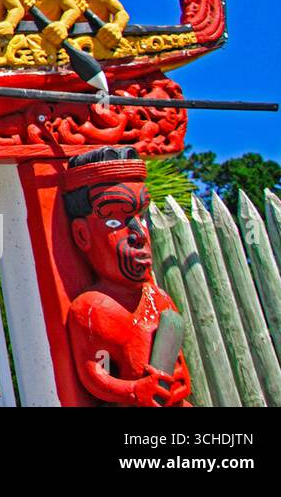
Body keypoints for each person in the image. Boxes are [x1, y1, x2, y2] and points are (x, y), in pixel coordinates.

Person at [62, 147, 191, 407]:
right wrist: (133, 390)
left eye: (141, 218)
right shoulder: (91, 309)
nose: (139, 234)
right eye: (114, 221)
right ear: (82, 235)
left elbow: (179, 365)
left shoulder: (159, 298)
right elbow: (94, 374)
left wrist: (178, 383)